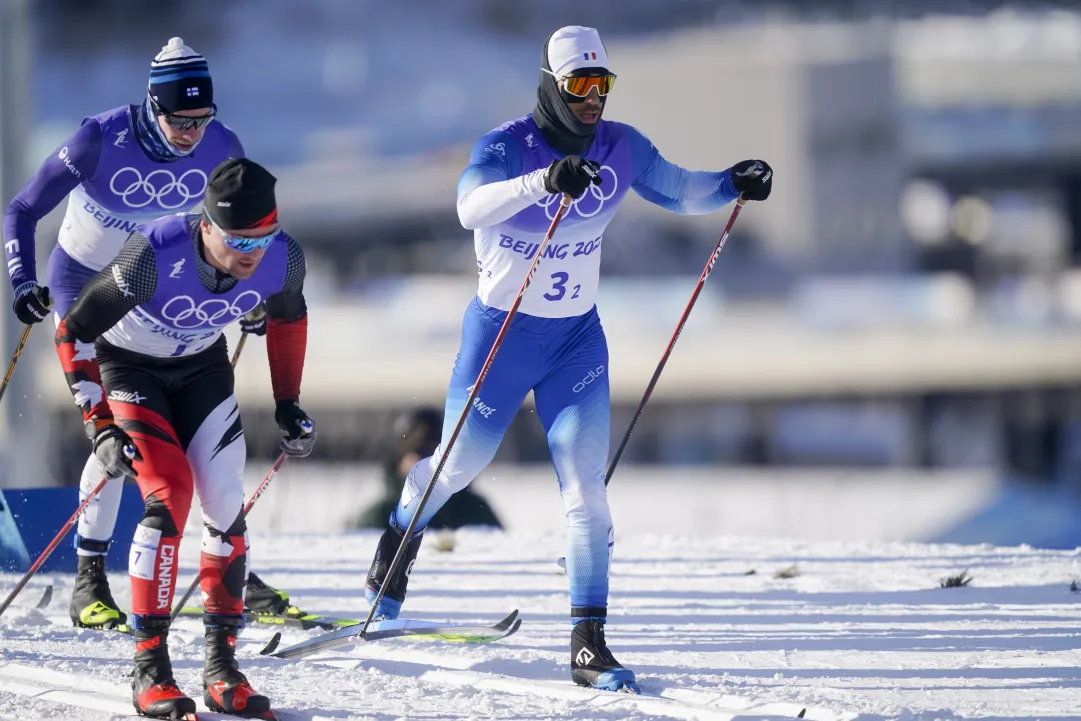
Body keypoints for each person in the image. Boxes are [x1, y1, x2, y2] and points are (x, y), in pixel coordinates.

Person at [362, 26, 773, 693]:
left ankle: (588, 642)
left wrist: (732, 181)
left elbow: (681, 189)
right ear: (551, 87)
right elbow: (470, 207)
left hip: (575, 342)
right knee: (458, 468)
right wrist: (539, 181)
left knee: (586, 495)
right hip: (499, 339)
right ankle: (396, 542)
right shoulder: (504, 147)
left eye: (601, 86)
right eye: (579, 86)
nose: (592, 100)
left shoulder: (620, 146)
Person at [1, 36, 292, 630]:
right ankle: (88, 579)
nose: (191, 133)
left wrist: (247, 298)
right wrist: (22, 278)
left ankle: (229, 564)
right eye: (179, 120)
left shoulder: (222, 145)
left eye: (201, 119)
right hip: (89, 289)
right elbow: (22, 209)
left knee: (200, 438)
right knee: (111, 435)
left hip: (161, 291)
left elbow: (235, 228)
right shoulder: (99, 138)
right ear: (152, 106)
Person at [55, 158, 315, 719]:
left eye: (265, 237)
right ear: (205, 227)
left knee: (225, 504)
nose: (254, 252)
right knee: (169, 494)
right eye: (238, 239)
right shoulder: (153, 254)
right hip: (129, 372)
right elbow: (73, 331)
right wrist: (97, 422)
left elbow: (289, 320)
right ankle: (150, 671)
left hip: (202, 372)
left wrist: (287, 403)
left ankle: (222, 670)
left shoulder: (284, 257)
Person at [353, 407, 503, 540]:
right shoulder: (381, 516)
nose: (427, 463)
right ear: (400, 461)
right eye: (418, 452)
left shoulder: (474, 510)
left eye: (435, 454)